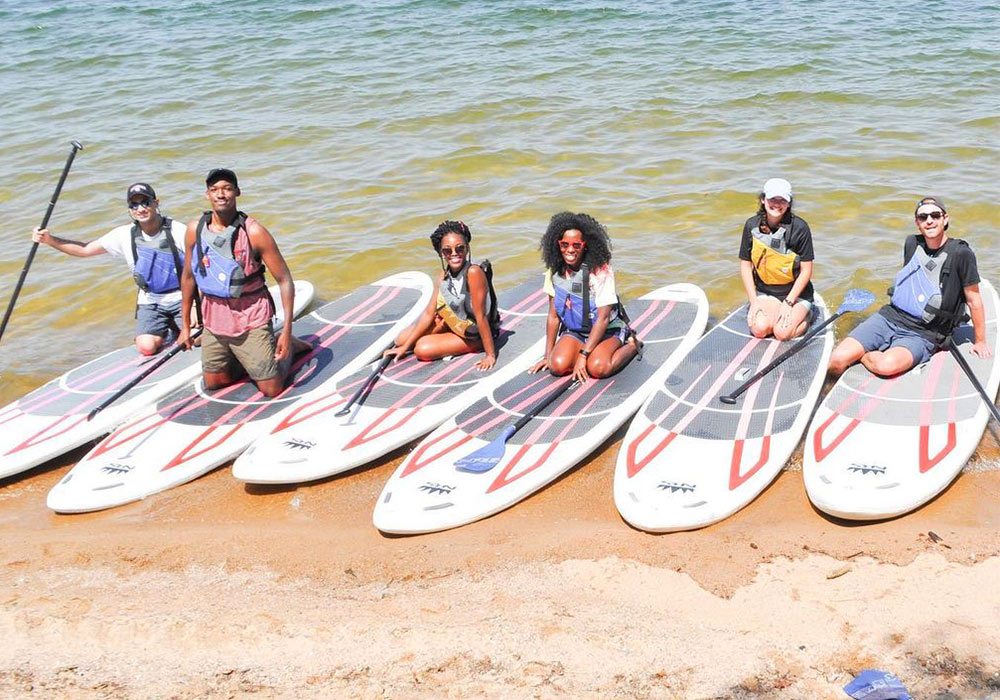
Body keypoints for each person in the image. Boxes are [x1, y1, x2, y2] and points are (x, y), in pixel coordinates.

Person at [176, 169, 310, 398]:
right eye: (215, 190)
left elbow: (285, 280)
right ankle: (248, 359)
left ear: (237, 192)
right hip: (214, 321)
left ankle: (289, 348)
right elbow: (188, 277)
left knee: (271, 388)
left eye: (227, 189)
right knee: (215, 384)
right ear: (207, 194)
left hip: (251, 318)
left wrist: (287, 331)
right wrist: (186, 326)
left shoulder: (254, 232)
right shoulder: (194, 230)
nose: (221, 194)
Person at [828, 197, 991, 377]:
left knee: (885, 366)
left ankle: (864, 354)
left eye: (935, 215)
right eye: (923, 217)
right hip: (889, 317)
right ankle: (849, 362)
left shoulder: (962, 254)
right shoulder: (912, 244)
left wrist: (980, 341)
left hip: (923, 333)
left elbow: (974, 299)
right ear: (917, 223)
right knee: (836, 359)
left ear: (945, 219)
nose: (929, 221)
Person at [31, 183, 190, 356]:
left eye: (145, 202)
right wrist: (49, 240)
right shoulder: (123, 234)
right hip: (151, 301)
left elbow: (198, 268)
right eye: (134, 205)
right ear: (129, 209)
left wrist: (197, 302)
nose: (140, 209)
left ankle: (181, 323)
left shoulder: (177, 230)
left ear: (156, 203)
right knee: (146, 347)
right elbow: (85, 249)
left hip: (183, 297)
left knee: (196, 339)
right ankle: (166, 328)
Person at [529, 212, 640, 383]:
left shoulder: (601, 272)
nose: (570, 250)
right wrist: (547, 355)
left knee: (598, 368)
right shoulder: (554, 272)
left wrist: (583, 356)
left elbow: (603, 319)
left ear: (585, 245)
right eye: (564, 244)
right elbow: (553, 315)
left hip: (607, 330)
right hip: (576, 331)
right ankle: (582, 350)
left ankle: (632, 345)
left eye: (576, 245)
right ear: (557, 244)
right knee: (557, 366)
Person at [384, 220, 499, 371]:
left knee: (422, 349)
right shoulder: (443, 276)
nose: (454, 254)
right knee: (401, 339)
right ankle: (441, 328)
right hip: (457, 325)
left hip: (475, 333)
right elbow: (428, 314)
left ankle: (475, 343)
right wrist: (404, 348)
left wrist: (490, 355)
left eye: (460, 248)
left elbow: (480, 316)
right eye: (447, 250)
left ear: (467, 248)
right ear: (440, 253)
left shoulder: (473, 273)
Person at [738, 177, 815, 340]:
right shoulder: (751, 225)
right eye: (772, 199)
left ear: (789, 203)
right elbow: (745, 266)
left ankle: (809, 314)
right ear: (763, 200)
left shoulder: (800, 228)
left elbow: (806, 270)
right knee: (760, 330)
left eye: (782, 200)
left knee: (782, 333)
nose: (777, 204)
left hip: (796, 294)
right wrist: (754, 301)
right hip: (766, 291)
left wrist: (789, 303)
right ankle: (772, 311)